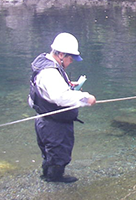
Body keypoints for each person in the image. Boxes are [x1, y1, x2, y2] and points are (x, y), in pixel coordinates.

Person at [28, 33, 96, 183]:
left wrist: (68, 85)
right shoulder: (50, 73)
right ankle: (55, 182)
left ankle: (47, 176)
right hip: (53, 124)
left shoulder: (45, 62)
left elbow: (51, 89)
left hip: (45, 120)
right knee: (59, 154)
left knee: (50, 153)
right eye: (70, 59)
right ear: (61, 54)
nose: (71, 62)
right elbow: (60, 97)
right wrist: (86, 98)